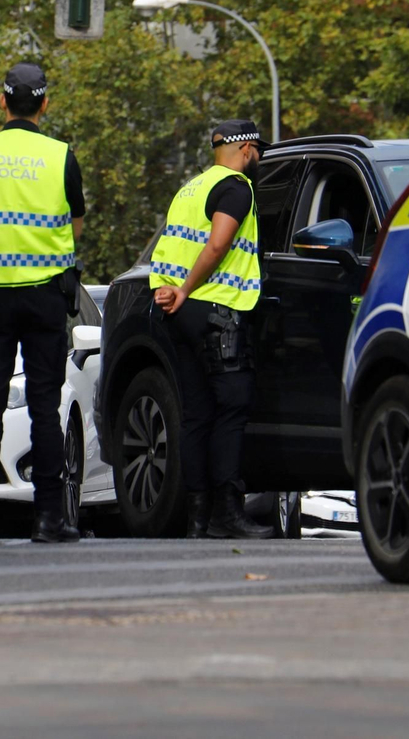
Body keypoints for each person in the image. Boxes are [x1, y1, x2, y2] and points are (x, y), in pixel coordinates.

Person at [0, 61, 85, 544]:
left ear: (2, 101)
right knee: (44, 407)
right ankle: (50, 518)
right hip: (46, 296)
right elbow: (75, 224)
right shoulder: (61, 155)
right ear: (45, 103)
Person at [150, 119, 275, 539]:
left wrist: (169, 293)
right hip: (217, 309)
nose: (257, 157)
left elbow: (167, 250)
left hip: (180, 315)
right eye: (256, 150)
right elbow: (218, 244)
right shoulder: (238, 187)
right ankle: (228, 514)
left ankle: (197, 519)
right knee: (232, 408)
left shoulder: (190, 188)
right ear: (245, 150)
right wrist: (186, 289)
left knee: (197, 415)